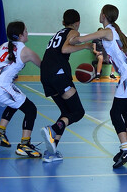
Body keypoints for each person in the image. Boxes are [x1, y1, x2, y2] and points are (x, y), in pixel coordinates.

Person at [71, 4, 127, 168]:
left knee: (114, 112)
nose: (99, 15)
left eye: (101, 13)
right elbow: (111, 56)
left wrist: (71, 39)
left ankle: (125, 148)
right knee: (125, 109)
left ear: (104, 15)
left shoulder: (106, 31)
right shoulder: (116, 31)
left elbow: (79, 39)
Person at [38, 9, 90, 163]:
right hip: (58, 73)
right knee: (78, 112)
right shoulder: (73, 32)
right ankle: (53, 129)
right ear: (77, 23)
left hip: (45, 74)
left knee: (66, 113)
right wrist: (86, 45)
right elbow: (65, 49)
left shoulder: (58, 33)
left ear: (63, 22)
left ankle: (51, 151)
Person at [0, 21, 43, 157]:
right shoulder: (27, 51)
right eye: (26, 31)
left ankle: (0, 133)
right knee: (31, 110)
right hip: (1, 87)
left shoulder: (3, 45)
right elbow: (44, 67)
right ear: (20, 35)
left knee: (16, 102)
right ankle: (25, 145)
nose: (27, 33)